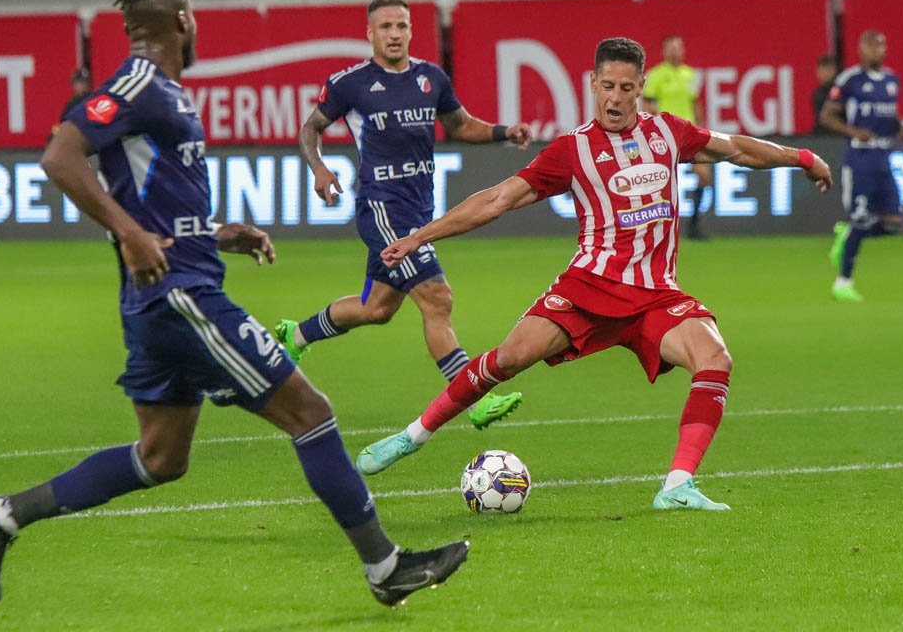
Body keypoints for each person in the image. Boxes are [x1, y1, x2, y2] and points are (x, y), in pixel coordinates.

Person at [0, 0, 467, 608]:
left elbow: (151, 202)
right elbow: (61, 156)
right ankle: (385, 568)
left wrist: (219, 233)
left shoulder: (167, 94)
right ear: (180, 21)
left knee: (161, 458)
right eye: (192, 12)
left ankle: (2, 515)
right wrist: (130, 235)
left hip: (163, 296)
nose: (195, 22)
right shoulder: (139, 85)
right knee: (310, 413)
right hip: (181, 298)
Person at [353, 37, 832, 511]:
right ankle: (413, 435)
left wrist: (803, 158)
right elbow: (498, 199)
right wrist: (421, 236)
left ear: (641, 87)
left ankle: (677, 486)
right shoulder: (573, 150)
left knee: (715, 358)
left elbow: (737, 150)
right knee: (510, 358)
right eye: (607, 86)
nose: (615, 98)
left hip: (655, 296)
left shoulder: (669, 133)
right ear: (592, 84)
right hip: (588, 289)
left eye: (626, 88)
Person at [275, 0, 532, 430]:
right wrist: (318, 168)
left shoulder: (431, 78)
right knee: (437, 298)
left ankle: (294, 335)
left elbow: (459, 125)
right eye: (386, 27)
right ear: (370, 34)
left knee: (376, 308)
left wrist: (504, 131)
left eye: (401, 26)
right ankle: (474, 400)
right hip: (381, 209)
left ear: (411, 31)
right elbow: (311, 128)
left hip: (419, 210)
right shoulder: (350, 83)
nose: (394, 34)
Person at [818, 30, 903, 303]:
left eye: (881, 45)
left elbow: (890, 115)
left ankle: (847, 236)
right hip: (859, 159)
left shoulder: (891, 80)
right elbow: (827, 116)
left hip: (883, 158)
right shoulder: (850, 80)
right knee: (861, 218)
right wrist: (853, 132)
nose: (877, 50)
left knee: (893, 223)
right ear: (861, 49)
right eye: (871, 46)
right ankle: (843, 282)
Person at [642, 35, 712, 240]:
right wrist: (651, 128)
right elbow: (647, 104)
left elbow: (695, 102)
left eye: (678, 47)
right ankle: (655, 227)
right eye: (671, 47)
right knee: (659, 182)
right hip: (664, 135)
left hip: (689, 133)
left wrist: (702, 128)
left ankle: (694, 224)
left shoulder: (690, 74)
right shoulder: (655, 75)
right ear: (663, 51)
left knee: (704, 176)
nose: (675, 51)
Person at [810, 53, 837, 134]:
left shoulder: (838, 90)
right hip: (820, 135)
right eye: (822, 70)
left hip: (836, 135)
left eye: (828, 70)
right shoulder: (817, 93)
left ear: (834, 70)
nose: (825, 73)